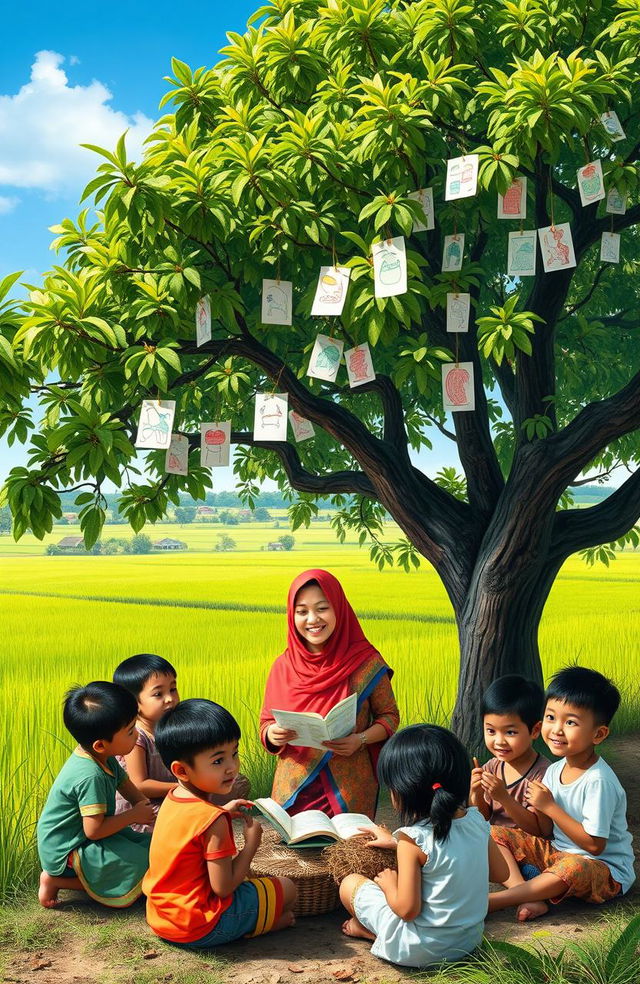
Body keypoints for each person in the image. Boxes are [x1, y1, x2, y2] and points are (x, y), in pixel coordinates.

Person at [339, 724, 509, 968]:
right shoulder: (476, 820)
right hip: (468, 942)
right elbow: (500, 873)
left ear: (402, 793)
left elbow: (407, 910)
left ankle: (376, 936)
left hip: (419, 950)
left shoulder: (412, 839)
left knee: (350, 884)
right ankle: (379, 936)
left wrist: (389, 885)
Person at [143, 699, 297, 949]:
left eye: (233, 754)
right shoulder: (212, 821)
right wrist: (251, 845)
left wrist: (223, 811)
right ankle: (260, 926)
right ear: (181, 771)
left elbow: (191, 830)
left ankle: (259, 921)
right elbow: (223, 888)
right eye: (218, 761)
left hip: (162, 917)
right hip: (199, 927)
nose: (231, 768)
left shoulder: (172, 799)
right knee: (288, 889)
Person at [489, 666, 635, 921]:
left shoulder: (598, 781)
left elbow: (594, 845)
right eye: (551, 717)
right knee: (492, 834)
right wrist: (530, 806)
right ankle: (530, 894)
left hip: (603, 870)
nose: (556, 729)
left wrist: (549, 806)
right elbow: (544, 831)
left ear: (598, 734)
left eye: (570, 722)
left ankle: (496, 901)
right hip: (558, 854)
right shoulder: (554, 770)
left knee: (574, 866)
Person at [260, 569, 399, 818]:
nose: (312, 619)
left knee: (349, 852)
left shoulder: (366, 662)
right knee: (299, 852)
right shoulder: (283, 666)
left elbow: (389, 717)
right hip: (295, 786)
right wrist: (273, 734)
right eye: (302, 611)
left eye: (322, 608)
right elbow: (266, 724)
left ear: (339, 608)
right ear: (292, 616)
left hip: (349, 787)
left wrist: (361, 740)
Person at [36, 681, 154, 909]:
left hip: (88, 835)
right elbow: (94, 830)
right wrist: (134, 816)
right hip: (68, 848)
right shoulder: (91, 776)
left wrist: (141, 804)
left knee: (150, 846)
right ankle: (55, 880)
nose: (137, 733)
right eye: (130, 731)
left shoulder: (103, 757)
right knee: (137, 863)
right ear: (100, 745)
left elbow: (126, 785)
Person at [113, 653, 249, 831]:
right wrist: (186, 786)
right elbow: (140, 785)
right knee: (178, 816)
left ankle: (208, 813)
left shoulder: (174, 727)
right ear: (133, 703)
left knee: (239, 784)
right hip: (148, 805)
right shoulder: (137, 736)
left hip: (177, 792)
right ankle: (211, 817)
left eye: (173, 689)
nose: (169, 698)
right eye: (158, 694)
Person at [469, 675, 550, 834]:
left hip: (527, 849)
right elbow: (484, 817)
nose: (499, 741)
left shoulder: (542, 775)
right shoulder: (492, 767)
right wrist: (476, 793)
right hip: (494, 844)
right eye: (491, 731)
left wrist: (504, 798)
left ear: (534, 730)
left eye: (510, 732)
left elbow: (540, 831)